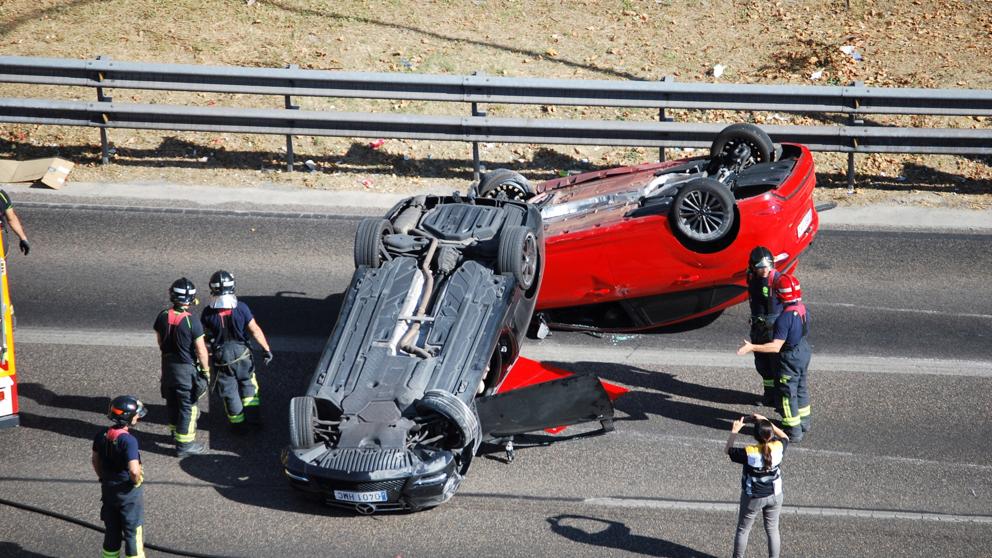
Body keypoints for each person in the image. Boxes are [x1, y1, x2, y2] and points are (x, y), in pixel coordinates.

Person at [737, 273, 811, 441]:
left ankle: (793, 431)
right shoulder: (802, 308)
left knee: (787, 394)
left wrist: (752, 347)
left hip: (790, 356)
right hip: (803, 351)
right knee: (801, 387)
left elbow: (775, 346)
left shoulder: (783, 319)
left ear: (779, 294)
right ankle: (804, 421)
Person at [200, 270, 273, 428]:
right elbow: (255, 330)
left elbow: (203, 338)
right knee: (248, 385)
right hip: (243, 354)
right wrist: (266, 349)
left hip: (222, 357)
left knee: (230, 391)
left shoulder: (207, 313)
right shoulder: (241, 308)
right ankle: (254, 421)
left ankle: (238, 426)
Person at [154, 277, 210, 456]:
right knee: (188, 406)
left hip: (168, 368)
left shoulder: (162, 316)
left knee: (172, 402)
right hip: (185, 371)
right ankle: (184, 445)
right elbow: (201, 350)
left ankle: (175, 433)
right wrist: (206, 371)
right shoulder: (191, 321)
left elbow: (159, 341)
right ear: (191, 298)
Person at [725, 413, 790, 558]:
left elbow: (728, 450)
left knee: (743, 529)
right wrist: (766, 421)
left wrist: (735, 431)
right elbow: (785, 437)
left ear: (755, 436)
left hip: (753, 497)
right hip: (776, 494)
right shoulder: (778, 447)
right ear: (770, 433)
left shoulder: (750, 453)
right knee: (773, 529)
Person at [92, 395, 148, 558]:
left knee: (112, 531)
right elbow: (134, 471)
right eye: (136, 414)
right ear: (128, 417)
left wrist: (103, 478)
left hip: (109, 491)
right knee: (133, 533)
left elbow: (95, 460)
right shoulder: (129, 441)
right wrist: (136, 482)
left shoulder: (101, 434)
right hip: (127, 495)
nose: (138, 416)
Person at [745, 246, 781, 407]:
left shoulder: (776, 281)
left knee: (776, 365)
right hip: (757, 327)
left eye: (768, 266)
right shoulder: (751, 277)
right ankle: (769, 395)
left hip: (772, 329)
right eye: (761, 267)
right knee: (762, 365)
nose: (765, 270)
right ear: (753, 267)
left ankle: (780, 398)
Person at [0, 189, 31, 255]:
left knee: (2, 263)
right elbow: (11, 218)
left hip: (1, 234)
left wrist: (23, 238)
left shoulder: (2, 195)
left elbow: (12, 218)